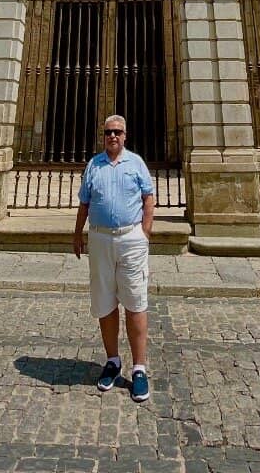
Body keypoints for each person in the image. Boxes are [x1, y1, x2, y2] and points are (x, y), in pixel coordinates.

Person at [73, 115, 154, 403]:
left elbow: (148, 197)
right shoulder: (94, 165)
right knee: (105, 301)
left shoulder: (136, 163)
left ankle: (140, 368)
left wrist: (145, 231)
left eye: (117, 132)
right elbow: (84, 202)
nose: (112, 136)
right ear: (103, 135)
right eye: (108, 132)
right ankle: (113, 361)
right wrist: (77, 233)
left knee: (135, 301)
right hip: (100, 238)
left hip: (130, 238)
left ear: (125, 135)